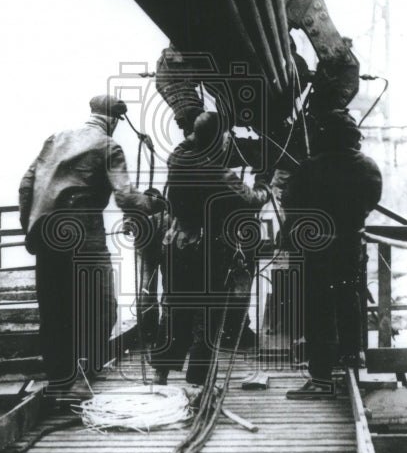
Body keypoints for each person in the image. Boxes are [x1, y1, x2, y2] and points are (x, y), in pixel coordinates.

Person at [19, 94, 165, 392]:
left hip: (46, 234)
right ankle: (86, 375)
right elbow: (125, 197)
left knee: (54, 308)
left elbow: (26, 185)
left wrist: (31, 227)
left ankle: (60, 380)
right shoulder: (108, 145)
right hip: (83, 235)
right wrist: (154, 204)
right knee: (102, 306)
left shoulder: (56, 138)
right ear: (113, 120)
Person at [150, 111, 272, 386]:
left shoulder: (178, 157)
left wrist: (209, 131)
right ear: (218, 141)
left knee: (174, 310)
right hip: (207, 251)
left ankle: (161, 373)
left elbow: (193, 141)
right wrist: (265, 181)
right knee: (208, 316)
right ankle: (198, 381)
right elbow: (252, 200)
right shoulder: (220, 175)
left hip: (177, 244)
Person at [282, 109, 382, 399]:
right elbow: (370, 200)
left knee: (319, 308)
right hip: (350, 244)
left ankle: (321, 379)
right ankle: (352, 359)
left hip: (318, 248)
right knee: (349, 299)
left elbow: (292, 203)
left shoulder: (309, 168)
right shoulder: (369, 167)